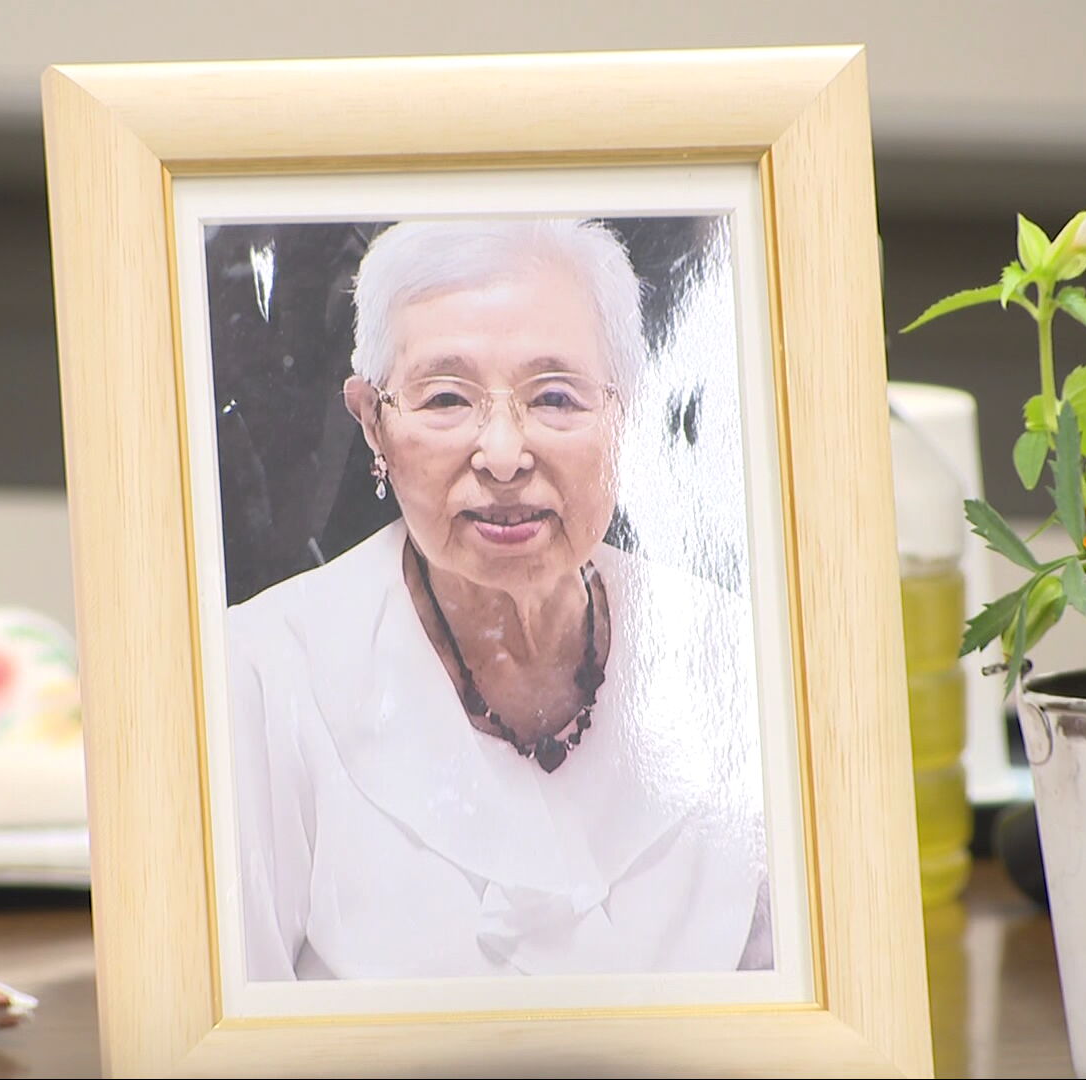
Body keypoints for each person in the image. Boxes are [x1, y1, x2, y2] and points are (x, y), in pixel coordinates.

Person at [226, 218, 770, 981]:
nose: (505, 456)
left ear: (627, 415)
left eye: (556, 398)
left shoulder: (740, 657)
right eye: (446, 399)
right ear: (373, 424)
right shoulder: (261, 673)